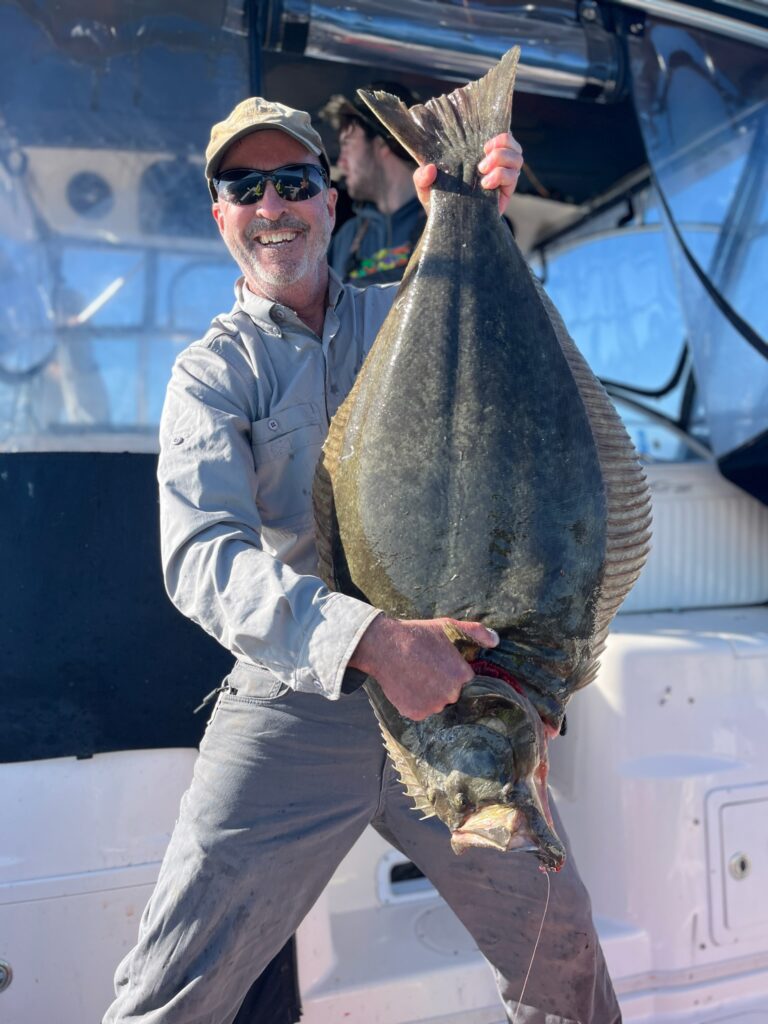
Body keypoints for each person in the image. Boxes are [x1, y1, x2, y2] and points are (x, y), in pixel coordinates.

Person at [103, 95, 621, 1024]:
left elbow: (529, 413)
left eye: (295, 182)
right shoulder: (212, 375)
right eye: (245, 186)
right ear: (218, 212)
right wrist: (373, 641)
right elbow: (202, 556)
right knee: (170, 989)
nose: (274, 206)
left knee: (567, 964)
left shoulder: (408, 310)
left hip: (466, 680)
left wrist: (475, 217)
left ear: (330, 202)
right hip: (293, 704)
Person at [323, 83, 427, 284]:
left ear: (382, 141)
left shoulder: (446, 219)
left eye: (346, 144)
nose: (341, 162)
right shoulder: (347, 237)